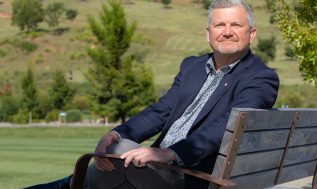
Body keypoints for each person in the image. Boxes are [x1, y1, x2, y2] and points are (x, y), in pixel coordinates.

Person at [25, 0, 279, 188]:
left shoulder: (259, 78)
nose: (227, 31)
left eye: (236, 24)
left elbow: (228, 126)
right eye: (220, 24)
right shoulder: (192, 66)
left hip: (196, 175)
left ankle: (71, 185)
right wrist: (116, 132)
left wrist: (168, 154)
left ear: (252, 33)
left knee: (120, 154)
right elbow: (160, 112)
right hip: (157, 168)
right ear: (208, 34)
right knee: (120, 145)